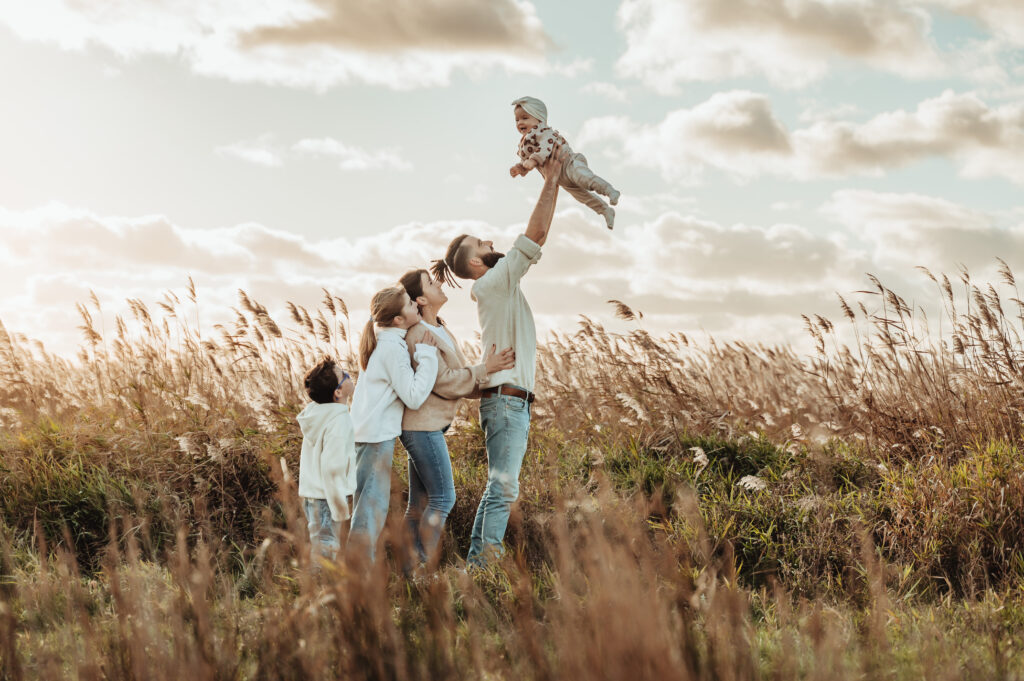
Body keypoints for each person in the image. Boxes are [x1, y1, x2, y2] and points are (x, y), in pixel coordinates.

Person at [431, 143, 568, 566]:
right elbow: (537, 234)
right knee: (503, 488)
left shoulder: (498, 287)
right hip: (507, 405)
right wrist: (552, 180)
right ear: (474, 261)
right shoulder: (493, 284)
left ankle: (479, 561)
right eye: (481, 242)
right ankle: (481, 565)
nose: (490, 241)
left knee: (503, 487)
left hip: (510, 403)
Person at [397, 268, 516, 570]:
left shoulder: (440, 329)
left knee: (419, 504)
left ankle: (409, 571)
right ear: (421, 298)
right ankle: (422, 569)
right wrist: (485, 368)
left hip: (426, 428)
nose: (439, 283)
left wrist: (489, 381)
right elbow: (445, 382)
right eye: (431, 282)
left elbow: (458, 379)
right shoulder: (418, 334)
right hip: (421, 429)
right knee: (443, 498)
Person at [347, 285, 439, 565]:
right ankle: (357, 582)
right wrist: (427, 357)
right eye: (411, 304)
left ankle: (356, 578)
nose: (416, 306)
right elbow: (412, 396)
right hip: (375, 439)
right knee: (370, 512)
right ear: (399, 319)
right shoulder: (391, 348)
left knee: (365, 508)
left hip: (366, 435)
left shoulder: (384, 342)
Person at [509, 96, 620, 229]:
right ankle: (605, 210)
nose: (519, 122)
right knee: (583, 197)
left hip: (569, 163)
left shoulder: (543, 131)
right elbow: (526, 163)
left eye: (525, 118)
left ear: (539, 118)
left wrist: (533, 160)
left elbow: (545, 147)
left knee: (584, 178)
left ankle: (610, 191)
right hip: (559, 177)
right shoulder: (525, 143)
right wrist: (520, 168)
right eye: (517, 120)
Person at [297, 356, 357, 566]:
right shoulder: (338, 421)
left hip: (314, 495)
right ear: (338, 392)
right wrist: (340, 508)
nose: (350, 376)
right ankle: (323, 592)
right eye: (345, 375)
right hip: (328, 497)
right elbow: (332, 468)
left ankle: (320, 589)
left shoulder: (317, 414)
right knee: (327, 546)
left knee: (321, 544)